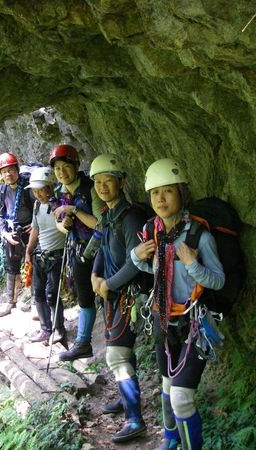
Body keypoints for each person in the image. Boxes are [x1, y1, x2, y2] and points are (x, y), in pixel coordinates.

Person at [131, 158, 225, 450]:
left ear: (181, 194)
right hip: (163, 322)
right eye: (155, 192)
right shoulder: (152, 233)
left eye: (168, 191)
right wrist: (137, 257)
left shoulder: (199, 236)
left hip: (195, 323)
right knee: (167, 386)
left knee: (182, 398)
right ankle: (171, 439)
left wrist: (192, 264)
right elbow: (157, 272)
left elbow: (218, 280)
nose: (160, 198)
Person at [89, 154, 148, 443]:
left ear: (121, 183)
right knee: (121, 352)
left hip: (126, 294)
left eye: (107, 181)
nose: (102, 186)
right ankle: (127, 401)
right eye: (98, 181)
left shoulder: (130, 217)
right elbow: (101, 247)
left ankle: (135, 419)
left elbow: (136, 262)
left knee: (117, 354)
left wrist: (107, 285)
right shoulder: (108, 215)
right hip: (111, 293)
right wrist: (94, 277)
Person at [49, 144, 104, 361]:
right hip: (78, 250)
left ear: (76, 165)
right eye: (57, 169)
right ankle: (83, 343)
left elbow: (100, 223)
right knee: (84, 296)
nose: (62, 173)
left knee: (107, 292)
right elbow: (59, 225)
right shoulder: (58, 193)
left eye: (66, 167)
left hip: (100, 248)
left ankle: (115, 338)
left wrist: (75, 211)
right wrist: (66, 224)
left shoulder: (91, 188)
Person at [24, 166, 67, 343]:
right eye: (35, 191)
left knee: (52, 293)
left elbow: (67, 228)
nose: (38, 195)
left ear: (50, 187)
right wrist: (28, 250)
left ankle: (59, 329)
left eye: (41, 190)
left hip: (57, 256)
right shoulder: (36, 206)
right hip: (41, 255)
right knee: (38, 293)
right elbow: (36, 229)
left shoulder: (62, 205)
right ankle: (45, 329)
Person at [0, 152, 35, 317]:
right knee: (12, 266)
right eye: (4, 171)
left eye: (11, 169)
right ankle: (10, 301)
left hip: (29, 231)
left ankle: (32, 301)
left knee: (32, 264)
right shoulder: (2, 191)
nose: (8, 174)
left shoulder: (27, 188)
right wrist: (4, 233)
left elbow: (39, 205)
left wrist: (35, 225)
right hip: (12, 232)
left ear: (17, 170)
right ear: (1, 175)